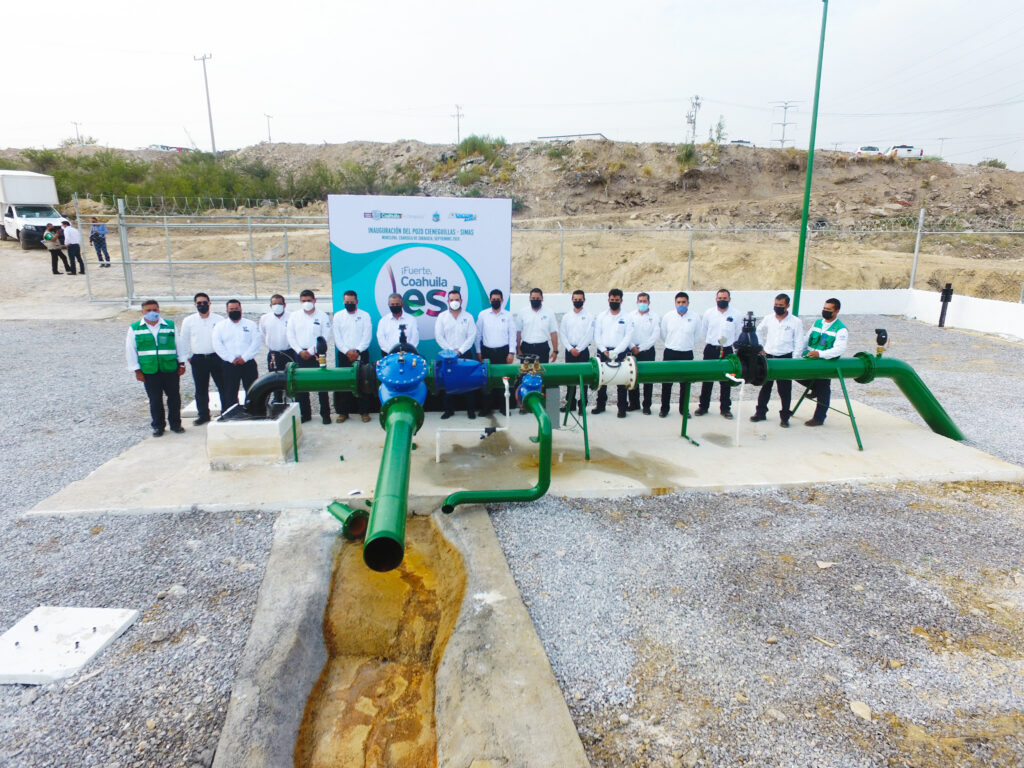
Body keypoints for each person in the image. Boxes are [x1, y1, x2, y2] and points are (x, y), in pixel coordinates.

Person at [125, 299, 186, 437]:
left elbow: (179, 344)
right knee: (155, 399)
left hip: (170, 368)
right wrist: (137, 370)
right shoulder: (135, 328)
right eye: (148, 310)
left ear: (159, 310)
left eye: (155, 309)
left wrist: (182, 363)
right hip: (149, 370)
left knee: (174, 398)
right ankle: (158, 426)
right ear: (142, 312)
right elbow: (130, 350)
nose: (152, 312)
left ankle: (176, 424)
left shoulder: (169, 325)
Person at [751, 293, 805, 428]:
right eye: (776, 305)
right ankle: (760, 413)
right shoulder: (768, 319)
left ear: (787, 306)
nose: (778, 307)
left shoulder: (795, 322)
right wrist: (760, 347)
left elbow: (799, 341)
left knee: (785, 390)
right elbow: (758, 330)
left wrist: (795, 360)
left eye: (781, 305)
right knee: (765, 387)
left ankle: (785, 417)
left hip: (785, 358)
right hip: (768, 357)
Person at [179, 292, 227, 426]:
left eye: (204, 302)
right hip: (198, 359)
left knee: (223, 387)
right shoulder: (189, 321)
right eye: (199, 303)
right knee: (201, 389)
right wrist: (188, 357)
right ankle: (203, 415)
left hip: (216, 358)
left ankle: (226, 412)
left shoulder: (219, 320)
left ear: (210, 303)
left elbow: (224, 340)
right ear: (195, 305)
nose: (202, 305)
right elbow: (183, 340)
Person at [286, 289, 333, 424]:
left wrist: (312, 351)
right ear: (300, 302)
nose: (307, 303)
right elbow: (291, 335)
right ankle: (305, 414)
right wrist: (300, 351)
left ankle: (325, 414)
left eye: (309, 300)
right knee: (301, 386)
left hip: (318, 354)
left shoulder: (322, 316)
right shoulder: (294, 316)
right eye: (304, 301)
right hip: (300, 354)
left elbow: (325, 335)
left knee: (321, 385)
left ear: (314, 300)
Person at [801, 297, 848, 427]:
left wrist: (820, 354)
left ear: (836, 311)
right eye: (824, 308)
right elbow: (806, 339)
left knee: (823, 389)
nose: (825, 311)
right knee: (796, 375)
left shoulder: (840, 329)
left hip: (825, 363)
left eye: (829, 309)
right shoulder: (817, 323)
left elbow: (839, 349)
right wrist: (800, 352)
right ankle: (814, 388)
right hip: (810, 360)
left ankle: (819, 418)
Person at [695, 288, 740, 419]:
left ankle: (725, 409)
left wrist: (726, 342)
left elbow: (737, 333)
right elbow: (704, 331)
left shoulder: (736, 314)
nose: (722, 301)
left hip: (726, 350)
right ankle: (703, 406)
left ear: (729, 299)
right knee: (707, 379)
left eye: (724, 298)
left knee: (726, 380)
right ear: (716, 299)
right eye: (720, 298)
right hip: (711, 349)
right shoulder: (709, 313)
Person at [435, 287, 478, 419]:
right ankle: (449, 410)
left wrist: (459, 351)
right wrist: (450, 351)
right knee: (448, 383)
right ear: (448, 301)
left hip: (464, 354)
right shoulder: (442, 317)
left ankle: (470, 410)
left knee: (469, 383)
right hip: (447, 356)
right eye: (452, 299)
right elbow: (439, 336)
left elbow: (472, 336)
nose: (454, 301)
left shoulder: (468, 317)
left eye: (457, 299)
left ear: (461, 300)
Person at [212, 299, 262, 412]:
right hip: (229, 364)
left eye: (236, 308)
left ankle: (253, 412)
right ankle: (231, 414)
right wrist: (231, 358)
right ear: (227, 311)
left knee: (252, 390)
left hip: (248, 363)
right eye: (231, 309)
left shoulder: (250, 324)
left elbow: (256, 343)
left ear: (241, 309)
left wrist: (244, 358)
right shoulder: (220, 326)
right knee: (230, 391)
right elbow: (217, 345)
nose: (234, 311)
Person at [332, 290, 372, 423]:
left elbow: (367, 336)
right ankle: (343, 412)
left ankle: (364, 412)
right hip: (344, 355)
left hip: (361, 353)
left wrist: (357, 351)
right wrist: (347, 352)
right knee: (345, 383)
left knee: (363, 383)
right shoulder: (338, 316)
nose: (349, 304)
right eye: (347, 302)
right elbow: (337, 338)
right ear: (343, 301)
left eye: (352, 302)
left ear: (357, 301)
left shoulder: (365, 316)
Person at [592, 288, 634, 418]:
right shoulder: (601, 316)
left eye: (616, 300)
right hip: (603, 351)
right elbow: (597, 335)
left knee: (622, 381)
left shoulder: (627, 317)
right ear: (608, 300)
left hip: (620, 352)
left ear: (621, 300)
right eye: (612, 300)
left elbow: (628, 336)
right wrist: (603, 349)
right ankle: (600, 405)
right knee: (602, 380)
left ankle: (622, 408)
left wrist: (616, 351)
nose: (614, 302)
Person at [475, 288, 516, 416]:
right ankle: (486, 409)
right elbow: (478, 335)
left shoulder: (508, 315)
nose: (495, 301)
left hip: (503, 352)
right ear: (489, 300)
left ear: (502, 300)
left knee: (504, 381)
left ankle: (504, 408)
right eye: (493, 300)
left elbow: (512, 335)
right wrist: (478, 352)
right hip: (487, 352)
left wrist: (511, 352)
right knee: (487, 381)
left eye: (498, 300)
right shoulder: (483, 315)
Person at [659, 291, 700, 417]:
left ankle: (684, 409)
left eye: (683, 302)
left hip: (687, 353)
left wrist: (686, 345)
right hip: (670, 352)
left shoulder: (695, 317)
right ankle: (664, 409)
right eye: (678, 302)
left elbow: (697, 336)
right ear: (675, 303)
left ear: (688, 303)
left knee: (685, 384)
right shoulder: (668, 316)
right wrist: (673, 344)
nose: (681, 304)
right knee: (667, 383)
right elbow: (663, 334)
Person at [559, 289, 594, 414]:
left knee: (583, 380)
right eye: (575, 299)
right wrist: (570, 348)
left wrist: (578, 349)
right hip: (570, 351)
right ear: (572, 300)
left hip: (583, 351)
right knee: (570, 379)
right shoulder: (567, 316)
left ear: (584, 300)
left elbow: (589, 335)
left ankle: (582, 406)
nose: (577, 301)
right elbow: (563, 334)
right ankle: (570, 404)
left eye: (580, 299)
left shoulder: (589, 316)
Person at [258, 294, 294, 406]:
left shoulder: (292, 317)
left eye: (280, 303)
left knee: (290, 376)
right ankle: (277, 399)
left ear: (285, 304)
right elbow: (262, 335)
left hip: (289, 352)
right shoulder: (265, 319)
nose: (277, 306)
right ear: (270, 305)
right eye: (274, 304)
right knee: (275, 376)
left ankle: (291, 399)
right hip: (274, 353)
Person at [627, 291, 659, 414]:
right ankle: (634, 403)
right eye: (640, 301)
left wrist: (642, 348)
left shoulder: (654, 317)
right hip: (632, 350)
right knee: (632, 377)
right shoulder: (630, 316)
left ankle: (647, 405)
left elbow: (655, 335)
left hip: (647, 351)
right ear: (637, 302)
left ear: (649, 302)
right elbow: (627, 333)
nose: (642, 303)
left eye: (644, 301)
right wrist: (632, 347)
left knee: (647, 379)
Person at [516, 287, 558, 363]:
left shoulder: (549, 312)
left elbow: (553, 332)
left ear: (542, 298)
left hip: (542, 348)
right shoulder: (522, 312)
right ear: (529, 298)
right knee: (526, 373)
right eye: (533, 298)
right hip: (526, 348)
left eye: (537, 298)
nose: (535, 300)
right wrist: (518, 349)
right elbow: (518, 332)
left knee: (541, 373)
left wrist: (555, 351)